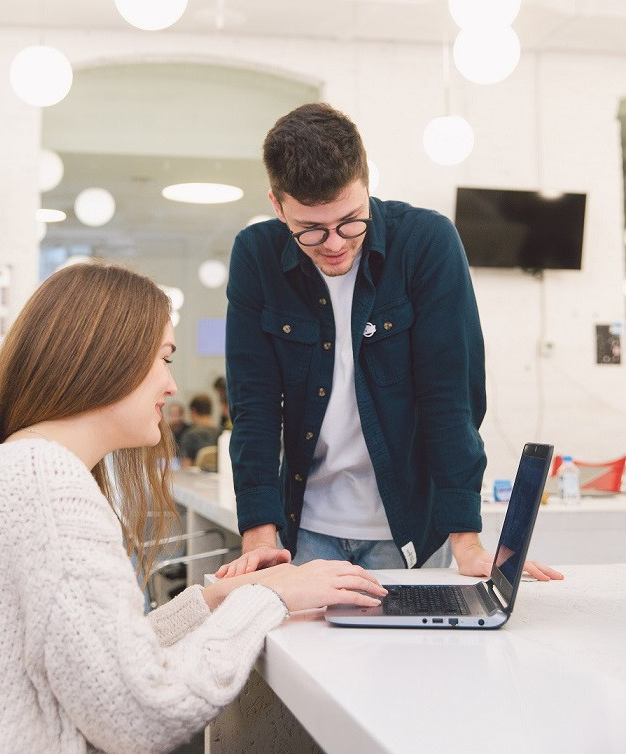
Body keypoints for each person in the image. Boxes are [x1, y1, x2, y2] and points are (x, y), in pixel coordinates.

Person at [0, 262, 386, 754]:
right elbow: (142, 713)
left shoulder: (18, 467)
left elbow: (102, 660)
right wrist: (272, 599)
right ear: (106, 359)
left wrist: (218, 600)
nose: (170, 385)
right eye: (163, 359)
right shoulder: (49, 488)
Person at [218, 103, 563, 584]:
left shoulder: (425, 243)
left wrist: (467, 541)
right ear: (278, 207)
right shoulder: (255, 256)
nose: (335, 244)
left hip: (405, 531)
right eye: (311, 230)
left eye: (350, 220)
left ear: (366, 183)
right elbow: (253, 406)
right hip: (306, 529)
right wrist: (259, 541)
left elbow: (451, 398)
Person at [178, 393, 221, 467]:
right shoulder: (223, 432)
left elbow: (185, 466)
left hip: (197, 478)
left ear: (193, 411)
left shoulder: (190, 435)